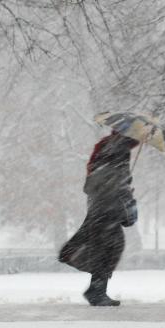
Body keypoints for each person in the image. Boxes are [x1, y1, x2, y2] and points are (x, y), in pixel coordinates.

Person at [59, 131, 140, 306]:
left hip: (100, 207)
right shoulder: (120, 149)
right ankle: (96, 291)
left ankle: (96, 290)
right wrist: (124, 188)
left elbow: (96, 179)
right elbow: (115, 178)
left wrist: (122, 185)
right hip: (107, 208)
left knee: (105, 249)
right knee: (109, 249)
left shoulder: (108, 146)